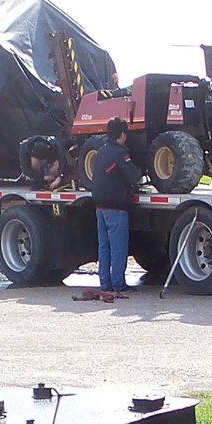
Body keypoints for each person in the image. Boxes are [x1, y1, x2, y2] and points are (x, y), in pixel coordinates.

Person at [86, 117, 141, 303]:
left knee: (104, 246)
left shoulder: (101, 151)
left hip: (99, 206)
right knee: (118, 247)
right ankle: (118, 284)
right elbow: (133, 176)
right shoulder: (120, 154)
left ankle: (105, 283)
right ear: (123, 134)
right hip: (116, 207)